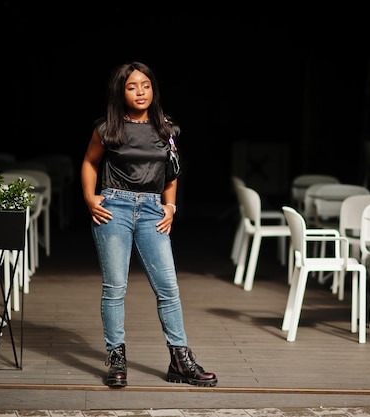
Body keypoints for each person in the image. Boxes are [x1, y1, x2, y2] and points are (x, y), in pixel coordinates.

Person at [81, 61, 217, 388]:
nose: (140, 91)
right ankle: (116, 357)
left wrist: (171, 206)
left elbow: (172, 172)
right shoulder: (107, 129)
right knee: (115, 288)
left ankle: (180, 360)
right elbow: (89, 162)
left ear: (153, 89)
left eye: (145, 85)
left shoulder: (166, 129)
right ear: (121, 92)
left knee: (168, 288)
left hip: (153, 211)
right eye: (132, 86)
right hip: (114, 207)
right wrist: (90, 197)